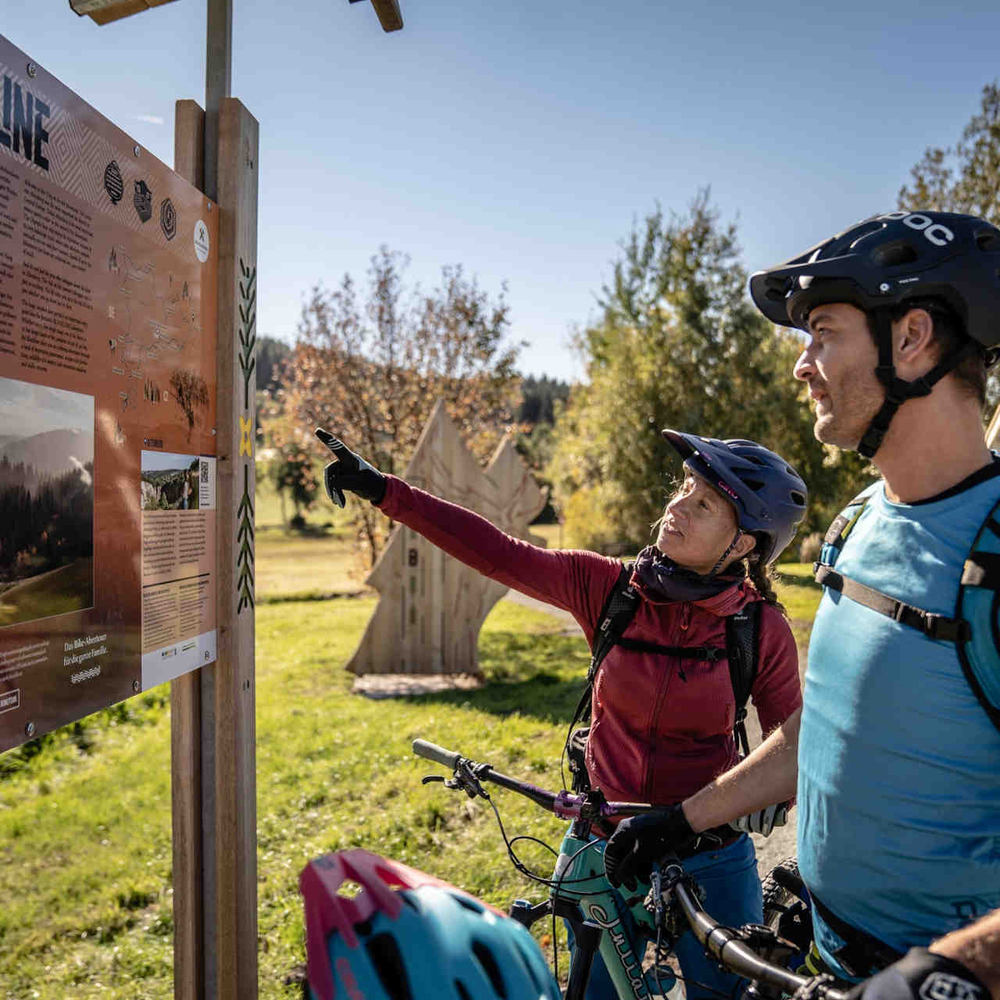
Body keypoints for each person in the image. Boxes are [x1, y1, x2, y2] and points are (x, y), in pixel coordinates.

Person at [603, 211, 1000, 1000]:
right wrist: (682, 820)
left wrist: (952, 973)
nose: (800, 365)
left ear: (912, 337)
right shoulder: (857, 524)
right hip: (820, 960)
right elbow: (822, 731)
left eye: (821, 333)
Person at [316, 423, 807, 999]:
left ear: (744, 543)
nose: (677, 506)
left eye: (703, 504)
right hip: (601, 840)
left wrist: (764, 803)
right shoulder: (609, 588)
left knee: (727, 993)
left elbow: (793, 751)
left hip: (707, 851)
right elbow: (498, 553)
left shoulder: (758, 628)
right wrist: (383, 491)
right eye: (683, 488)